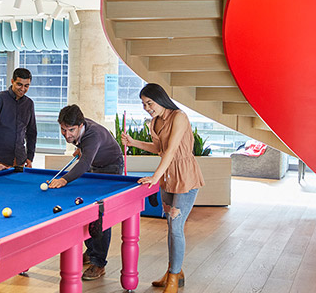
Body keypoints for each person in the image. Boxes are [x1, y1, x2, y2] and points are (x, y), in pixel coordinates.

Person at [121, 83, 204, 293]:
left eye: (149, 103)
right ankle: (173, 271)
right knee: (170, 225)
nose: (147, 107)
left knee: (176, 226)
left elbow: (172, 150)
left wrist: (154, 177)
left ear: (160, 99)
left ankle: (174, 278)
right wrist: (133, 142)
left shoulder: (179, 117)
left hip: (185, 176)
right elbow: (159, 148)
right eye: (143, 104)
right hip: (168, 177)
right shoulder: (155, 122)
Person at [49, 104, 124, 281]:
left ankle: (99, 263)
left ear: (81, 125)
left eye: (71, 130)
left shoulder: (92, 134)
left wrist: (64, 179)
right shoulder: (82, 131)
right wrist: (81, 149)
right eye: (63, 130)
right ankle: (91, 252)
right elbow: (86, 151)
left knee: (100, 213)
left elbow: (83, 164)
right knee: (85, 208)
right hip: (95, 165)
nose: (67, 135)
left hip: (111, 168)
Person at [0, 68, 37, 167]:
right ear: (12, 81)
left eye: (26, 86)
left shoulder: (29, 103)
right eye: (19, 84)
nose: (23, 89)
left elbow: (31, 132)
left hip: (20, 160)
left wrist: (30, 157)